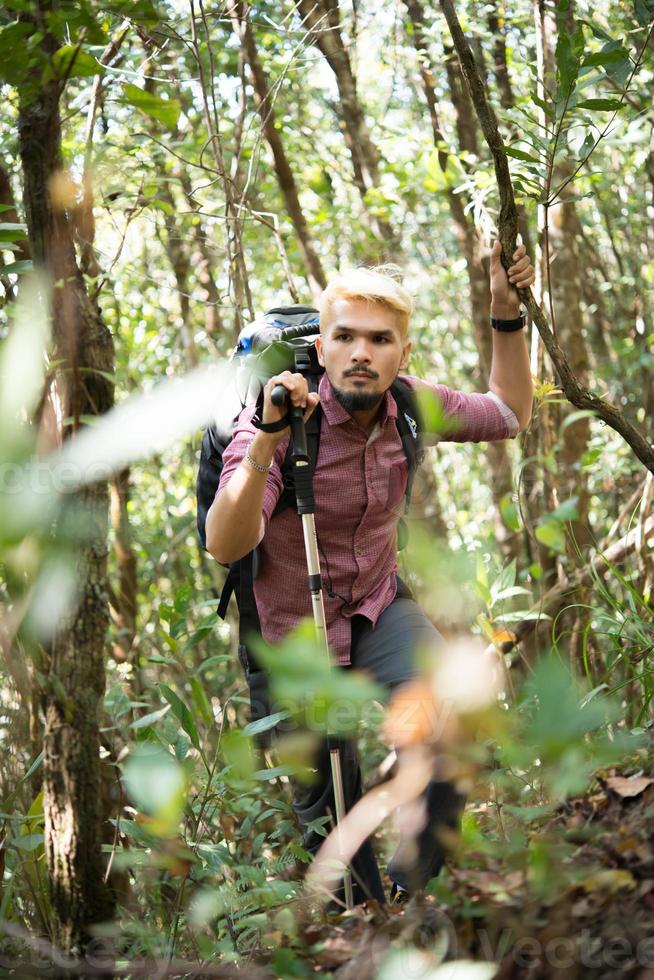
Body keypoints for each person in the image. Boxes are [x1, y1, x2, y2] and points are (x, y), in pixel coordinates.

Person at [205, 241, 535, 905]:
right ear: (321, 349)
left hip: (377, 607)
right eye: (346, 337)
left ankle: (411, 900)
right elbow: (224, 542)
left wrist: (505, 313)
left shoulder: (411, 404)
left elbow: (509, 414)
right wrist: (267, 440)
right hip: (293, 641)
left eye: (380, 340)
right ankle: (361, 925)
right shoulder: (276, 425)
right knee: (331, 829)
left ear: (401, 354)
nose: (362, 352)